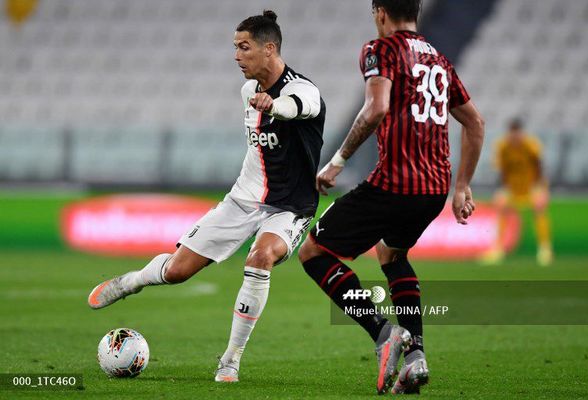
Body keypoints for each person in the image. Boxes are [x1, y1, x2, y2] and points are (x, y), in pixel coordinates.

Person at [87, 10, 325, 383]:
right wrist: (264, 104)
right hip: (243, 200)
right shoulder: (248, 90)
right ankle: (132, 281)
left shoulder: (303, 89)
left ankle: (230, 358)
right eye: (234, 47)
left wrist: (276, 106)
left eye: (243, 47)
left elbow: (302, 107)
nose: (236, 56)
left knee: (260, 257)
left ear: (269, 48)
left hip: (290, 208)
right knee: (177, 271)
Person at [298, 0, 484, 394]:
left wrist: (338, 160)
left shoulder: (379, 49)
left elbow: (376, 107)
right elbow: (475, 122)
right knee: (392, 254)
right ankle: (416, 358)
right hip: (433, 188)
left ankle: (385, 333)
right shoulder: (439, 60)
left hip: (395, 184)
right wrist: (463, 186)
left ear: (380, 12)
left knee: (313, 252)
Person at [481, 118, 553, 266]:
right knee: (500, 206)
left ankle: (545, 249)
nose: (514, 137)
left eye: (517, 133)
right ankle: (498, 249)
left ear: (521, 133)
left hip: (531, 186)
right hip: (512, 188)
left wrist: (540, 187)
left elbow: (539, 165)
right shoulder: (502, 147)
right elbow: (502, 170)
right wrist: (502, 189)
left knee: (539, 207)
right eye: (512, 133)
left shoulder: (530, 145)